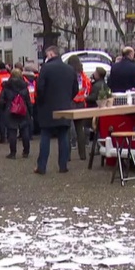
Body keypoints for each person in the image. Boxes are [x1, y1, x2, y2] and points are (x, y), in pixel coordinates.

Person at [34, 46, 78, 175]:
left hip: (47, 108)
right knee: (63, 136)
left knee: (45, 136)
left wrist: (41, 102)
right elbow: (75, 88)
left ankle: (42, 166)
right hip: (64, 106)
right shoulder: (70, 69)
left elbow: (40, 88)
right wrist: (67, 99)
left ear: (51, 54)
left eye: (47, 55)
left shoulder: (46, 68)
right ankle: (63, 165)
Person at [0, 68, 33, 160]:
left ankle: (13, 153)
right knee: (25, 131)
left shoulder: (6, 86)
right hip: (23, 110)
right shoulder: (24, 87)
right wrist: (30, 111)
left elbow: (1, 100)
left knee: (12, 132)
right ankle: (26, 151)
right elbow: (28, 101)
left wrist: (2, 109)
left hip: (10, 110)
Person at [68, 55, 92, 161]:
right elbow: (88, 88)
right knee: (80, 129)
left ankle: (67, 155)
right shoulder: (83, 76)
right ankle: (82, 154)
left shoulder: (68, 74)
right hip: (81, 103)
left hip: (71, 102)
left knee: (69, 128)